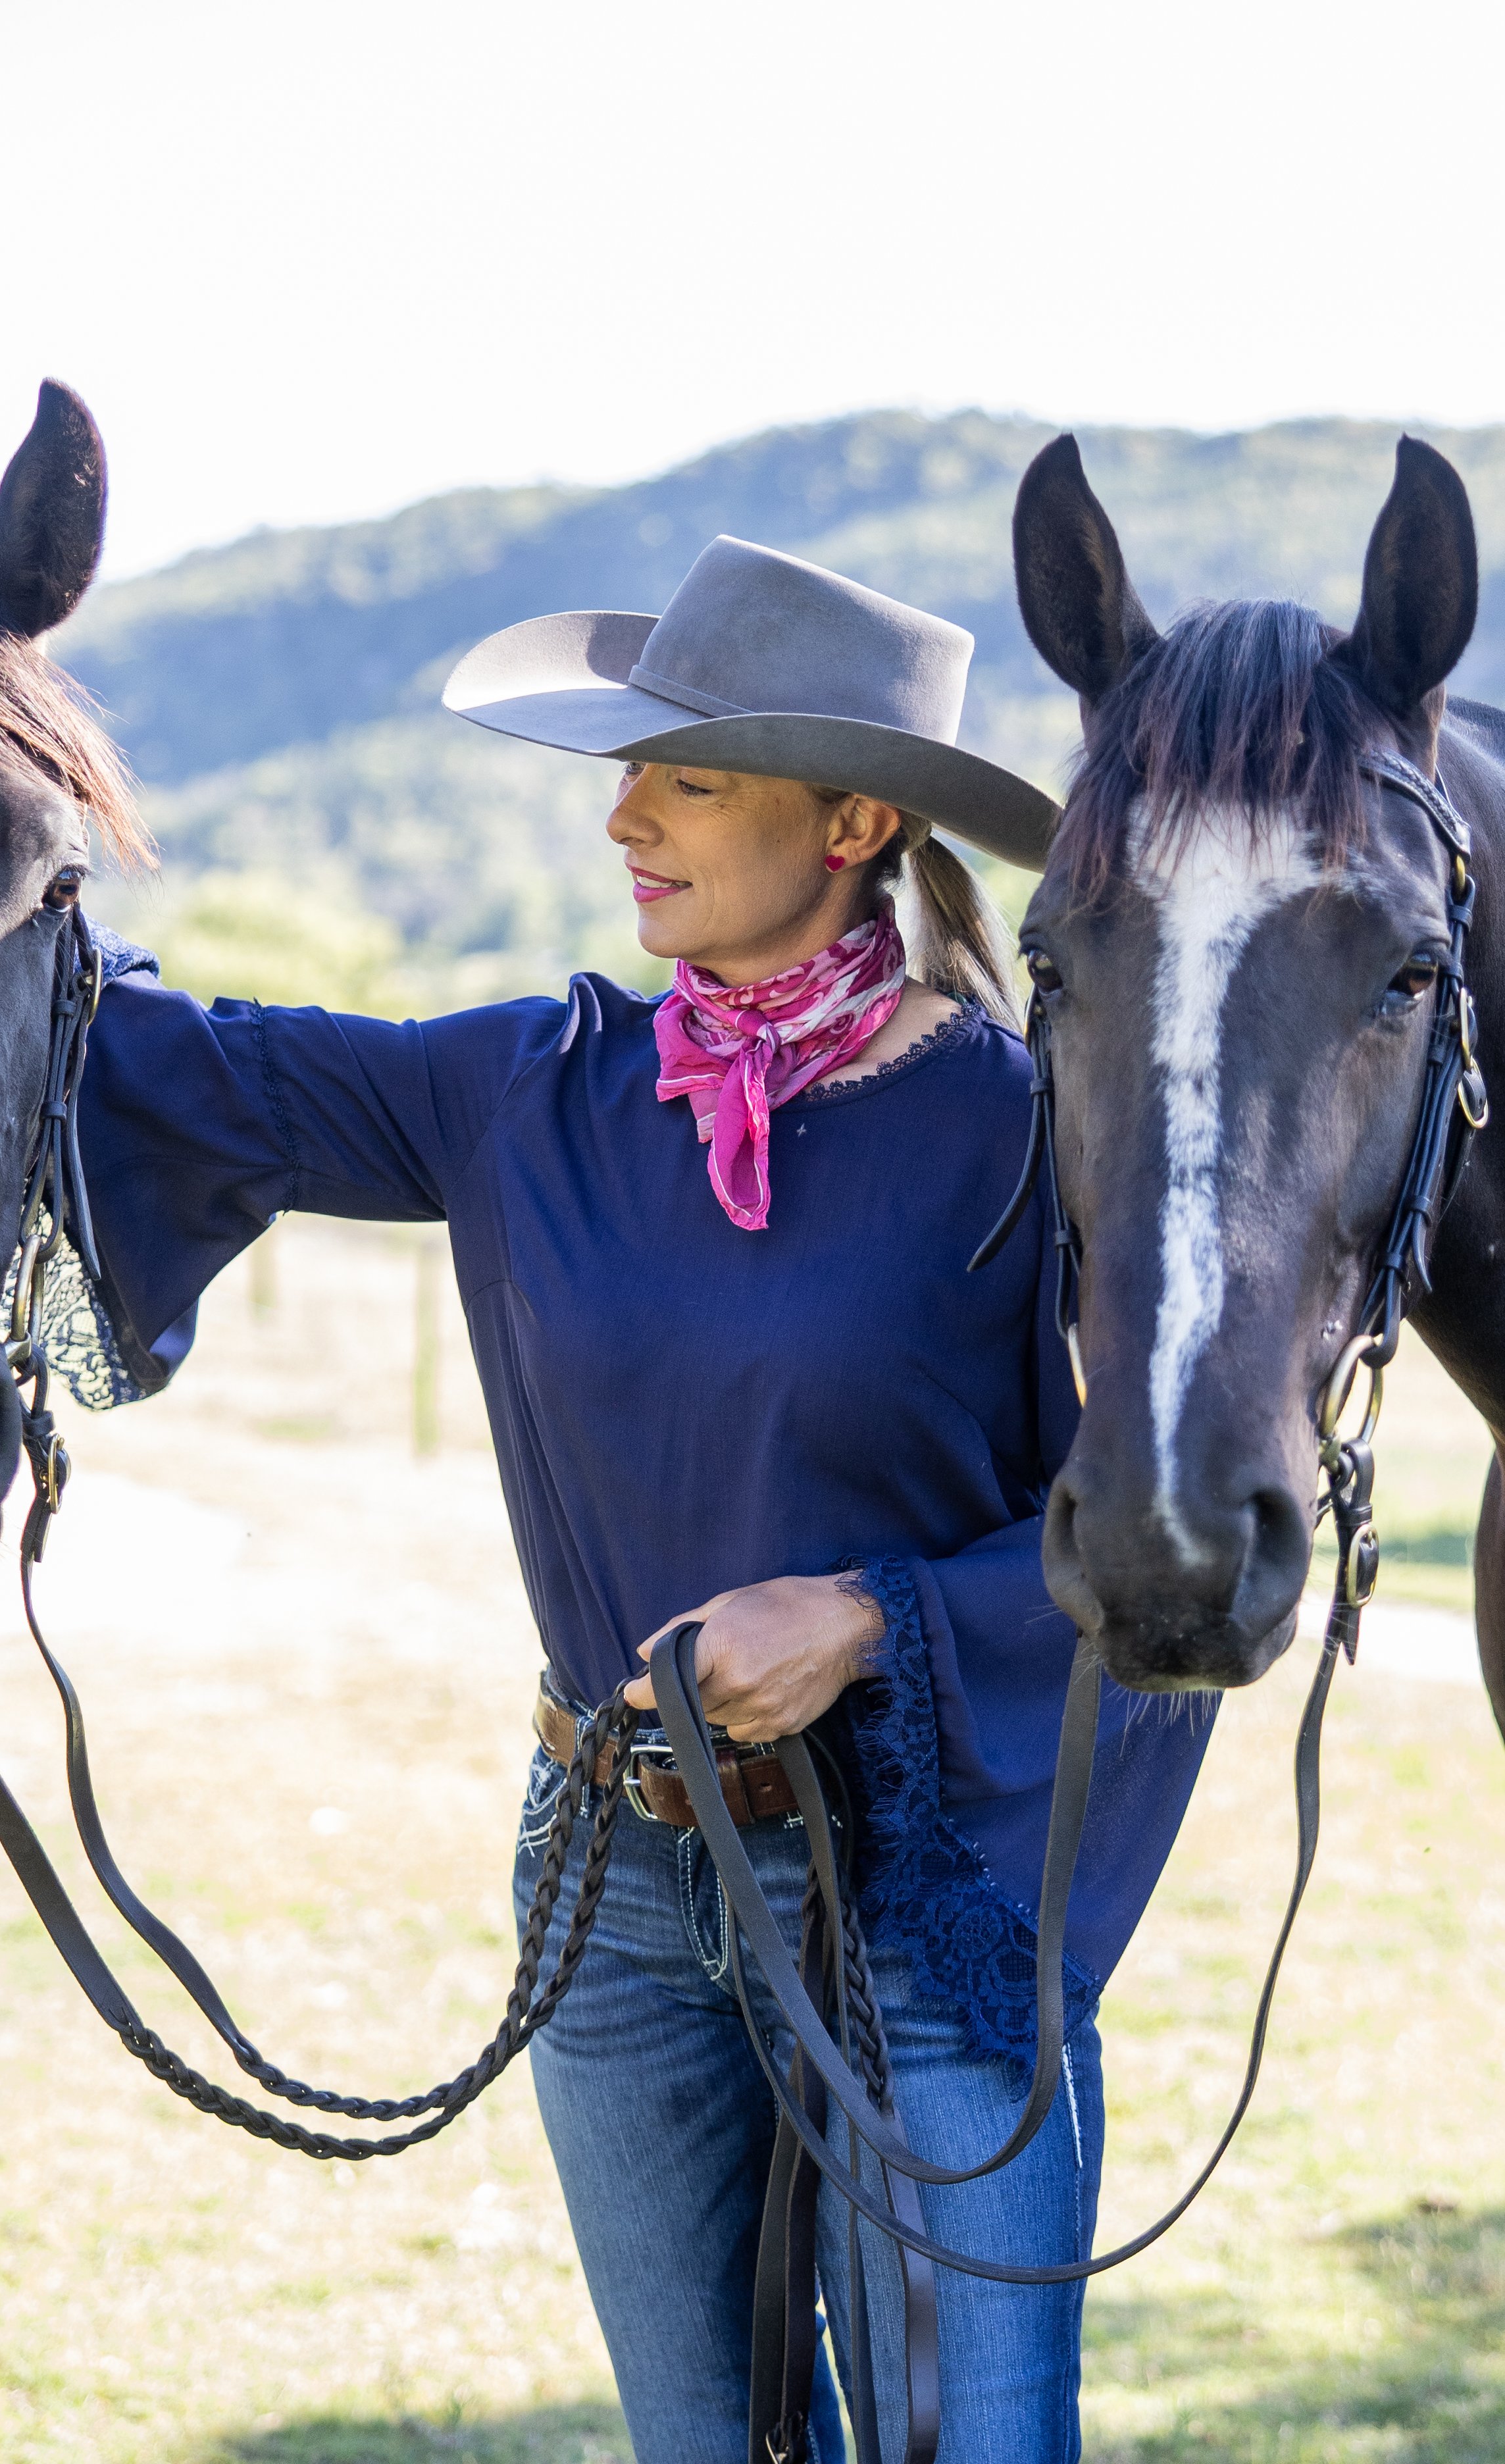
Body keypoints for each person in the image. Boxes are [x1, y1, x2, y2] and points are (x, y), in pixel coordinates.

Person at [72, 536, 1215, 2463]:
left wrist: (869, 1612)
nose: (624, 817)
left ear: (854, 817)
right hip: (611, 1883)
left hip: (929, 1899)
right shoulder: (533, 1090)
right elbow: (167, 1072)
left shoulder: (1027, 1128)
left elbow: (1164, 1548)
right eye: (631, 771)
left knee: (980, 2449)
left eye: (686, 774)